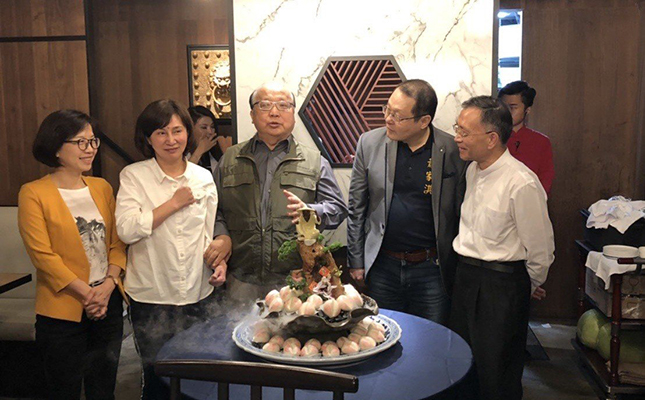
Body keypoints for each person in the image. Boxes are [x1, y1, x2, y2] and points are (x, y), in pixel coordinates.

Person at [115, 99, 223, 399]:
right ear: (148, 139)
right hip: (152, 295)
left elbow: (208, 232)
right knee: (157, 377)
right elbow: (127, 229)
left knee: (197, 377)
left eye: (177, 131)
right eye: (161, 133)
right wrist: (173, 204)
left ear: (188, 133)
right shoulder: (134, 176)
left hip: (197, 292)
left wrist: (219, 261)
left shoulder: (203, 177)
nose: (171, 140)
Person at [449, 96, 555, 400]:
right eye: (457, 129)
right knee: (462, 364)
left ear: (492, 138)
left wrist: (523, 285)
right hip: (466, 277)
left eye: (464, 132)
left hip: (502, 285)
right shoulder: (473, 170)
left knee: (497, 372)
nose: (457, 138)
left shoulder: (521, 182)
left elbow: (541, 250)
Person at [18, 110, 126, 400]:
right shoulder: (33, 193)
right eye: (81, 142)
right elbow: (43, 256)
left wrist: (107, 286)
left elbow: (117, 243)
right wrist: (88, 295)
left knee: (103, 389)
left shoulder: (101, 187)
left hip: (108, 303)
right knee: (63, 390)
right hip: (62, 310)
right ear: (55, 147)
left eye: (93, 141)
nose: (90, 149)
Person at [207, 82, 348, 302]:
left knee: (294, 324)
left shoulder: (314, 161)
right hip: (241, 276)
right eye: (265, 105)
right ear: (252, 115)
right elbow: (214, 209)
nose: (274, 112)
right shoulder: (231, 159)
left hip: (296, 278)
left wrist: (311, 212)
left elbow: (338, 208)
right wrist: (221, 234)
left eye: (283, 105)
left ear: (293, 114)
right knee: (239, 324)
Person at [346, 79, 467, 324]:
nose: (388, 119)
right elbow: (356, 207)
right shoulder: (369, 144)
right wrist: (356, 260)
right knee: (383, 332)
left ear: (424, 121)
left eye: (398, 116)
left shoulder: (451, 149)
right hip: (383, 265)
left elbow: (461, 211)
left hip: (432, 268)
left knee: (431, 336)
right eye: (387, 110)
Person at [498, 80, 554, 196]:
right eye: (503, 107)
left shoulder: (541, 142)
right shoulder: (491, 138)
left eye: (513, 108)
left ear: (527, 110)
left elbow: (545, 179)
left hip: (529, 200)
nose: (507, 112)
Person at [187, 105, 232, 174]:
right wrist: (199, 151)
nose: (210, 132)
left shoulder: (218, 148)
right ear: (190, 129)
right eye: (204, 127)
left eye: (212, 127)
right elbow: (184, 176)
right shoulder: (181, 153)